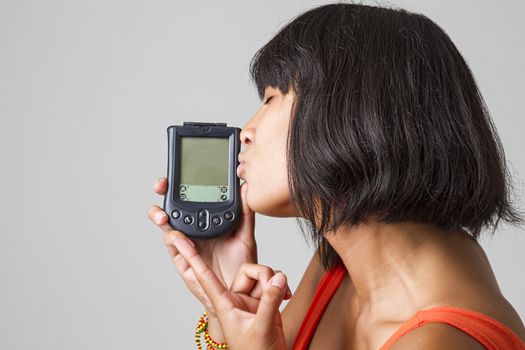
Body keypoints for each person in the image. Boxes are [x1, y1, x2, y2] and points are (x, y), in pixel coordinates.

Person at [147, 2, 525, 349]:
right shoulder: (340, 263)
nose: (246, 131)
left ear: (351, 111)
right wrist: (222, 305)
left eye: (271, 99)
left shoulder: (441, 342)